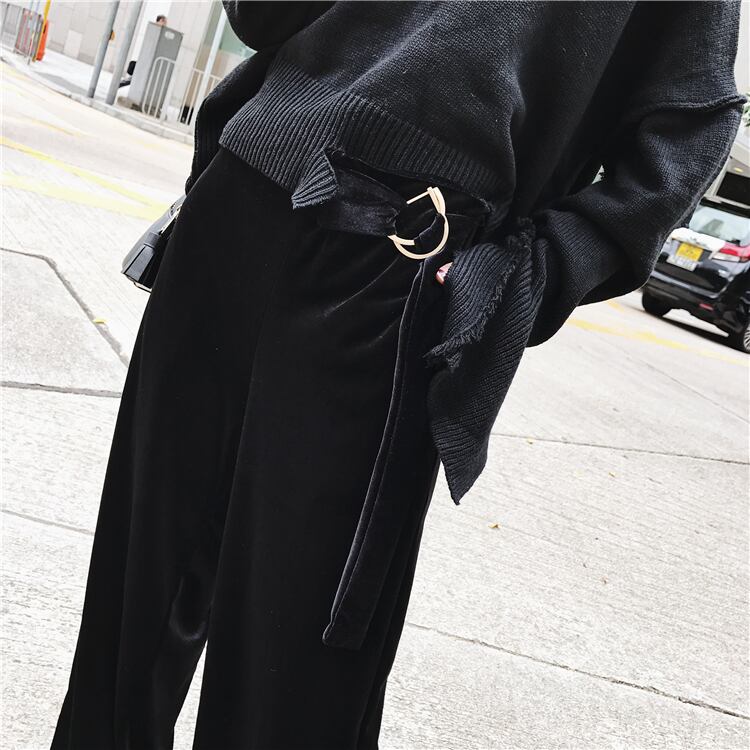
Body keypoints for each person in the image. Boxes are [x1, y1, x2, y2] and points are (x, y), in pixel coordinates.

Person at [51, 2, 744, 748]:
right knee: (132, 603)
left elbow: (692, 120)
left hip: (399, 260)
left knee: (296, 670)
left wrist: (538, 269)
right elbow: (260, 16)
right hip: (242, 191)